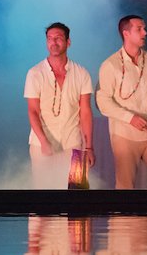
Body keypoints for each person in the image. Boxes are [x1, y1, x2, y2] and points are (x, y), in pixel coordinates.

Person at [96, 15, 147, 190]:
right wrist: (130, 118)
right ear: (126, 33)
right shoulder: (110, 65)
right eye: (139, 29)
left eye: (144, 28)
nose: (145, 32)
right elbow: (103, 101)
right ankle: (124, 218)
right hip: (125, 134)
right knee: (125, 186)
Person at [25, 22, 95, 189]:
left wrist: (89, 146)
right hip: (41, 145)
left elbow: (85, 112)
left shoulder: (81, 73)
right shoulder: (35, 73)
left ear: (68, 42)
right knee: (43, 197)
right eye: (49, 39)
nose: (53, 42)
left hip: (74, 143)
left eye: (58, 38)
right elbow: (33, 111)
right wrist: (44, 141)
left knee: (78, 195)